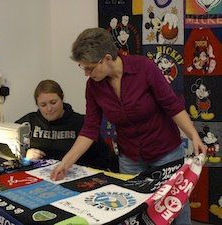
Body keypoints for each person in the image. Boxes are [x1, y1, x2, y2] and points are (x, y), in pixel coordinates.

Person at [50, 28, 207, 225]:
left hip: (165, 150)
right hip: (130, 156)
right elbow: (90, 128)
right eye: (83, 67)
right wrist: (66, 162)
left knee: (174, 205)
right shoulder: (93, 86)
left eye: (89, 68)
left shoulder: (144, 68)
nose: (86, 74)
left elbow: (172, 106)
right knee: (134, 208)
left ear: (106, 58)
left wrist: (193, 135)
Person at [15, 79, 119, 172]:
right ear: (37, 104)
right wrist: (25, 155)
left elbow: (104, 155)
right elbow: (5, 145)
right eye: (43, 105)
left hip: (75, 175)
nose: (49, 109)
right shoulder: (29, 121)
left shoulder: (80, 122)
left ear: (62, 98)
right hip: (39, 175)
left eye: (53, 102)